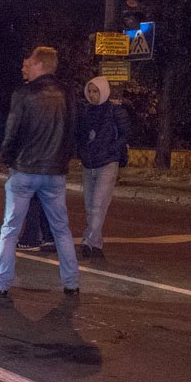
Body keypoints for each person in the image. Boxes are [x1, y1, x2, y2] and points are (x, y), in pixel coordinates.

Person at [0, 46, 80, 298]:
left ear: (40, 64)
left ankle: (2, 282)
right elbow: (74, 129)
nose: (25, 67)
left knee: (10, 228)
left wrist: (8, 158)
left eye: (29, 63)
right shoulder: (68, 94)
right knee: (61, 228)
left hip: (25, 169)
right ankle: (71, 282)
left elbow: (12, 131)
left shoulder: (24, 94)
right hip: (54, 171)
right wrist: (63, 159)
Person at [77, 75, 131, 259]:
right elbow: (79, 136)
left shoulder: (115, 111)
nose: (92, 95)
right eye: (90, 91)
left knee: (98, 205)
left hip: (108, 162)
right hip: (89, 163)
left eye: (96, 91)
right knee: (90, 205)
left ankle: (87, 240)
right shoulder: (85, 112)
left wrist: (111, 149)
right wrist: (81, 151)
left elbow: (125, 134)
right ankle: (96, 244)